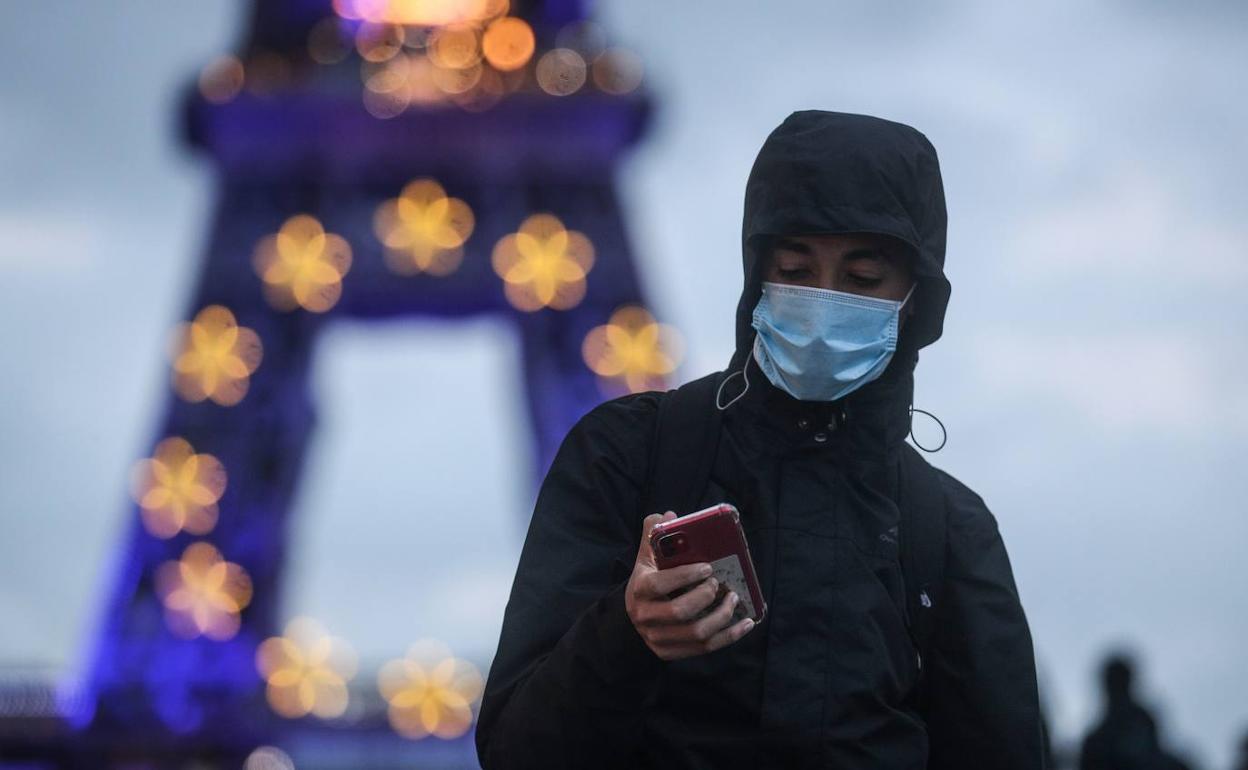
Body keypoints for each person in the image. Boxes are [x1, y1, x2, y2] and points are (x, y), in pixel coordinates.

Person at [475, 110, 1044, 769]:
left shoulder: (950, 532)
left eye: (862, 281)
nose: (824, 304)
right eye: (796, 270)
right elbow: (516, 752)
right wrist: (626, 635)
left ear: (915, 300)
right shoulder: (624, 456)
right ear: (758, 279)